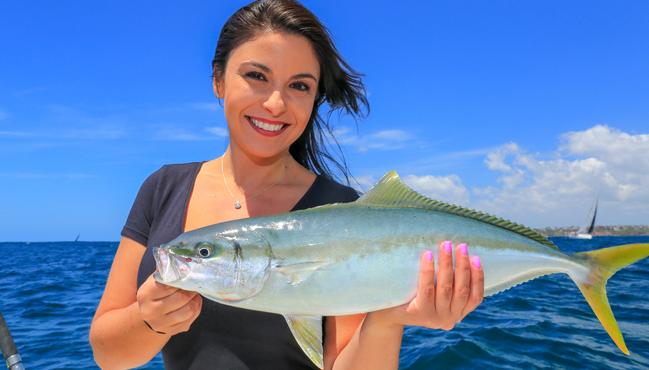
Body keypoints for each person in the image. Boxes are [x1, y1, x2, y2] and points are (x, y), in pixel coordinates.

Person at [89, 1, 484, 369]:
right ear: (218, 80)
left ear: (314, 99)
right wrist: (150, 320)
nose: (276, 104)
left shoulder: (342, 209)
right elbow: (109, 355)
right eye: (257, 76)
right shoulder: (164, 188)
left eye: (299, 85)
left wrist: (388, 316)